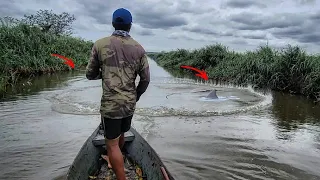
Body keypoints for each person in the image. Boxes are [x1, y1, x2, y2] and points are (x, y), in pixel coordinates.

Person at [85, 8, 150, 180]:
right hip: (129, 103)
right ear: (130, 26)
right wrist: (136, 96)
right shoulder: (139, 48)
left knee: (111, 143)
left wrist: (104, 74)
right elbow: (146, 79)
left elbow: (89, 74)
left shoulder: (100, 44)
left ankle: (120, 173)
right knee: (121, 134)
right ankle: (116, 160)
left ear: (113, 24)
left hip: (111, 104)